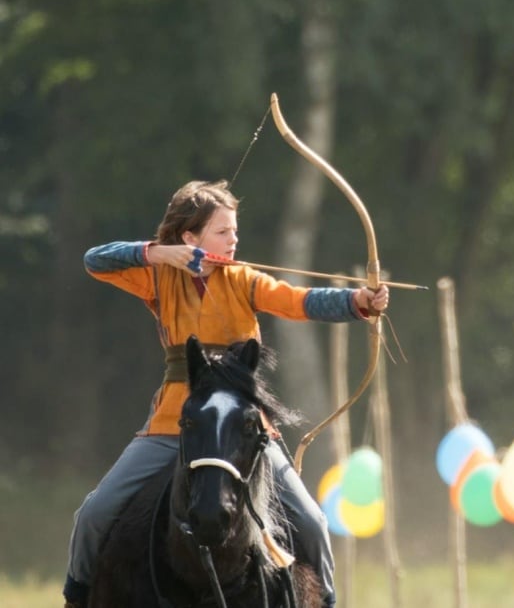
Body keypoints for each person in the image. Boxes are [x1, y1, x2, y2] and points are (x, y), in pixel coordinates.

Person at [63, 179, 389, 608]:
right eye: (222, 231)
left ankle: (326, 603)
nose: (233, 239)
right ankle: (76, 598)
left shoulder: (243, 279)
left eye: (235, 230)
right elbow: (95, 260)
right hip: (175, 422)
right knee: (94, 513)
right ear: (189, 238)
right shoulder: (159, 277)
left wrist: (359, 302)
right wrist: (159, 254)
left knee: (310, 522)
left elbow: (300, 301)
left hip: (241, 428)